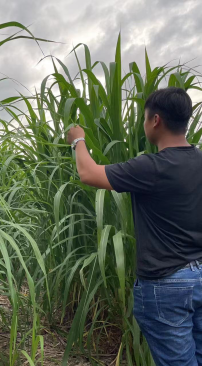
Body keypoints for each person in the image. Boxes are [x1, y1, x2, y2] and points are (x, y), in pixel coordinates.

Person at [67, 87, 202, 366]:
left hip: (166, 285)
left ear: (155, 120)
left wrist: (77, 140)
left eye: (144, 118)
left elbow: (88, 173)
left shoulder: (151, 167)